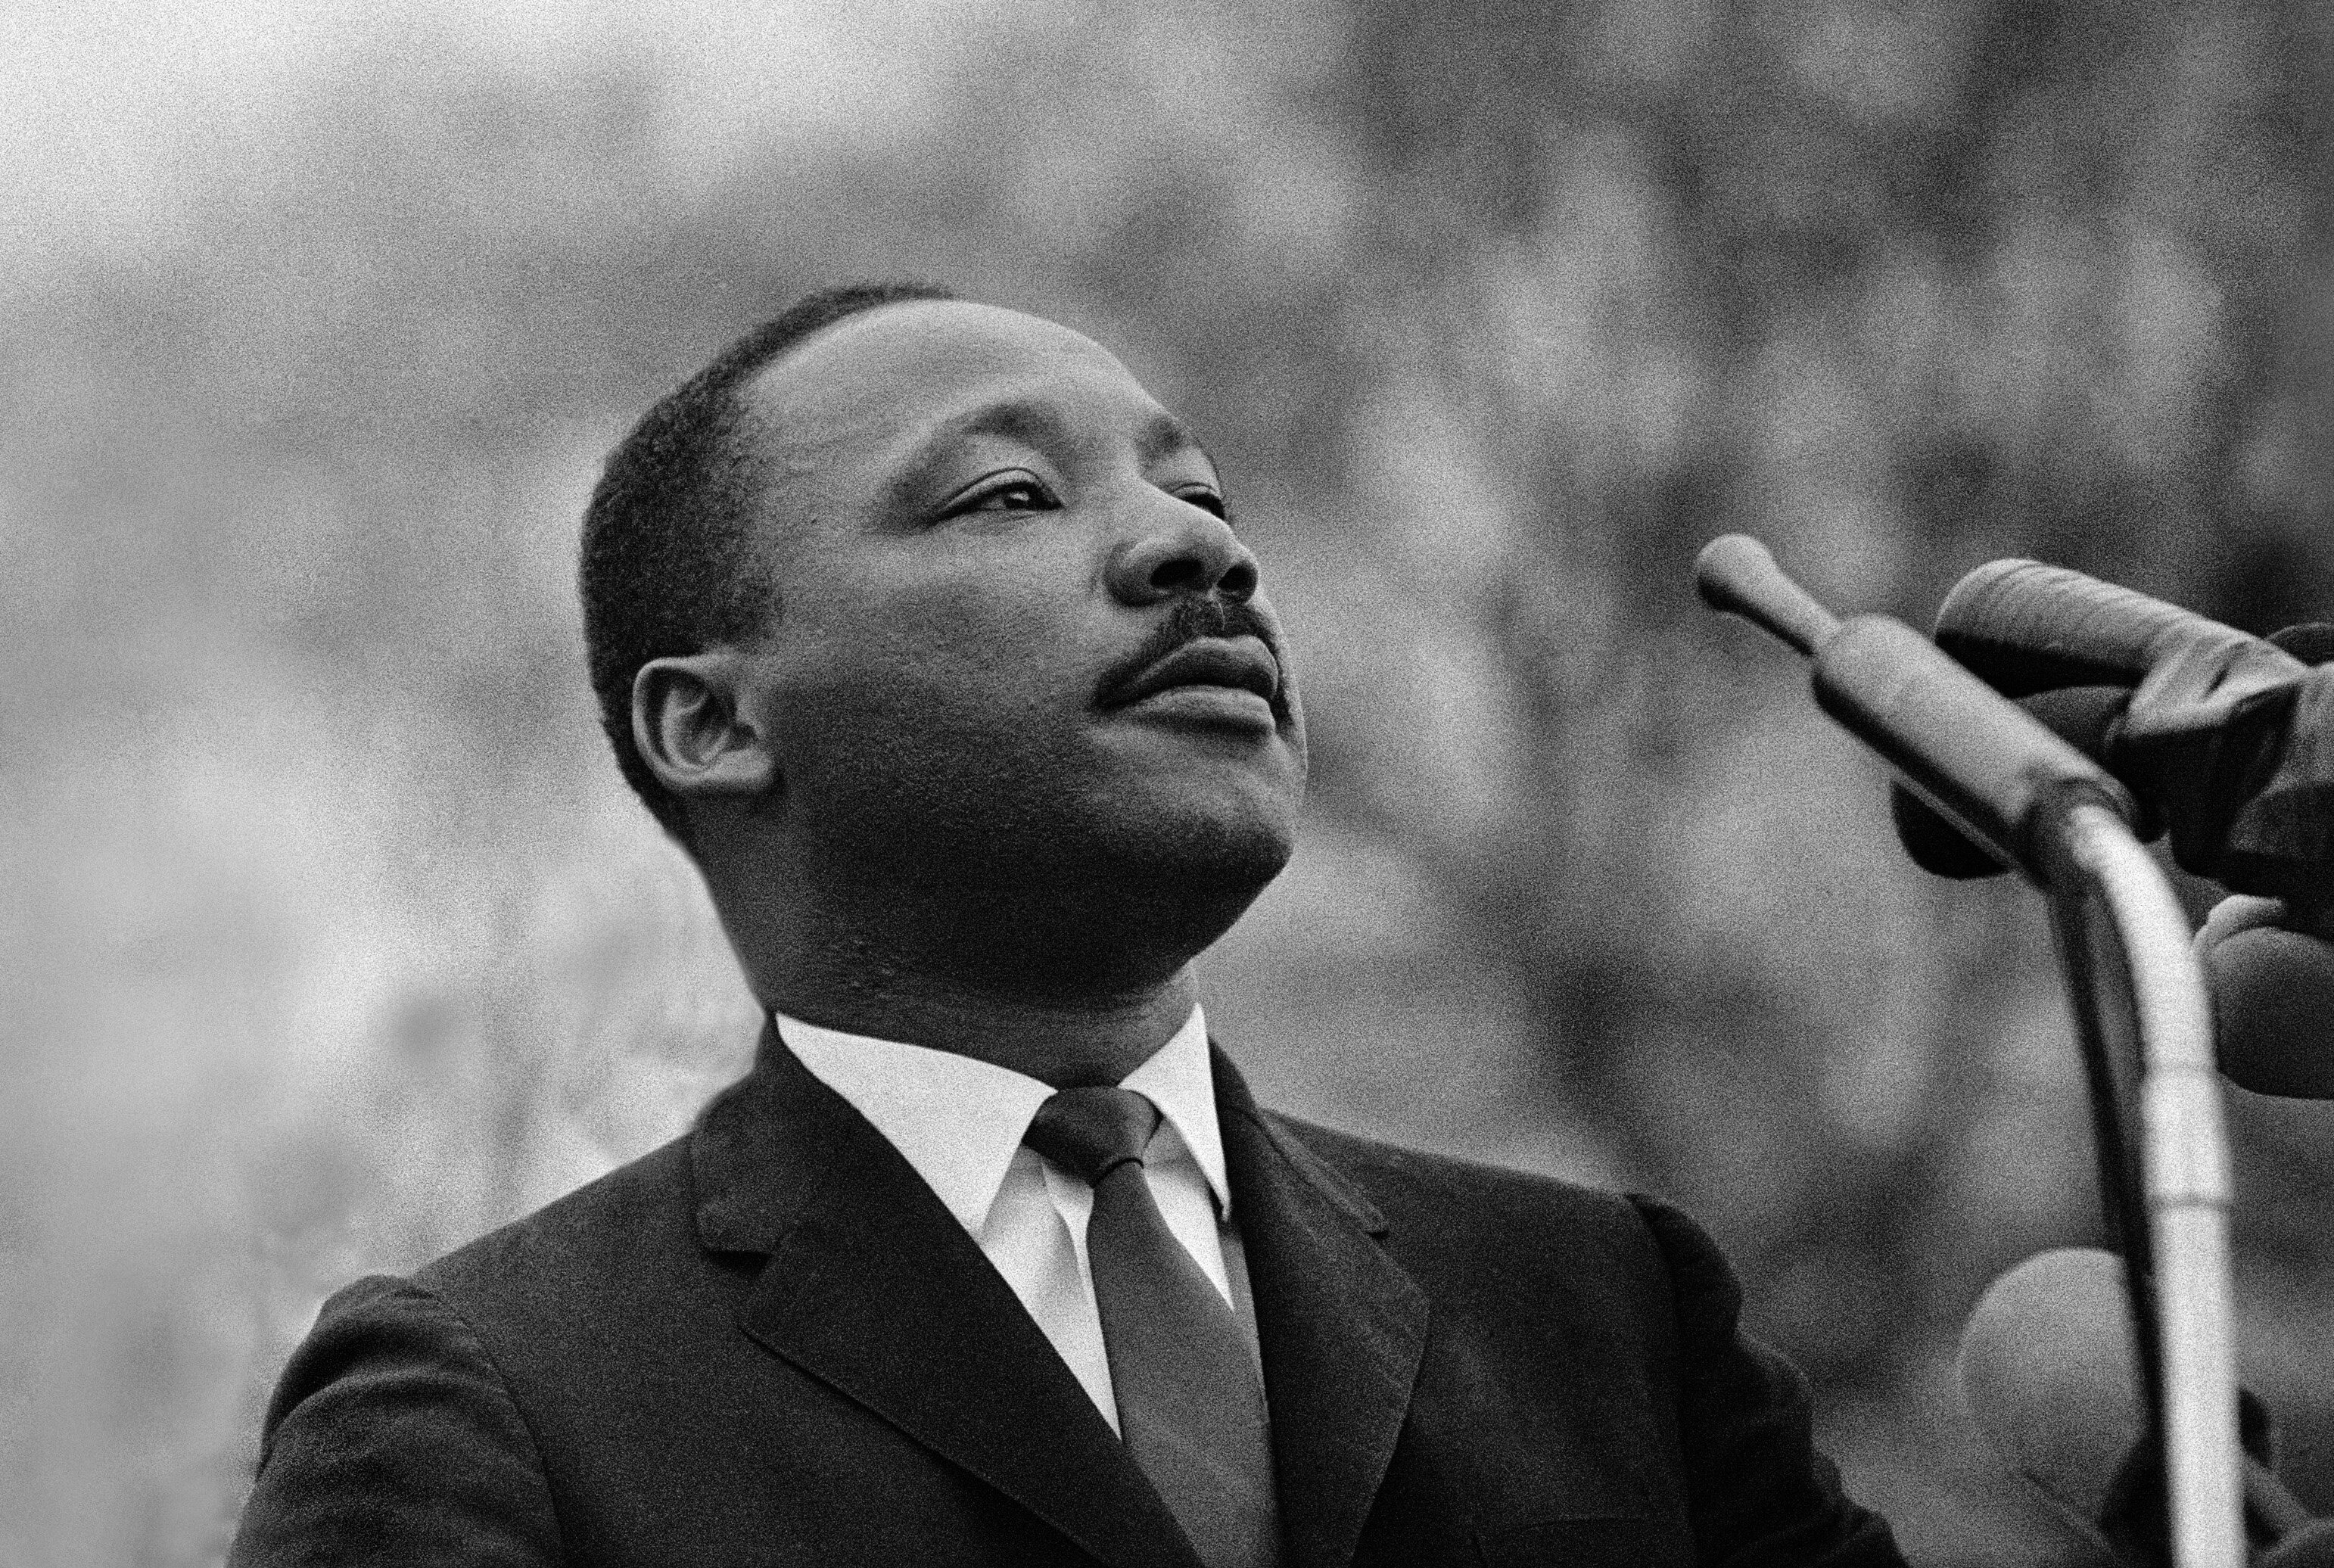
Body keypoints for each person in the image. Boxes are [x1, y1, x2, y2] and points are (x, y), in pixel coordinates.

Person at [229, 285, 1905, 1567]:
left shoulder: (1607, 1307)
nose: (1200, 548)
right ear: (716, 725)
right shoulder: (493, 1401)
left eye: (1210, 495)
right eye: (1011, 495)